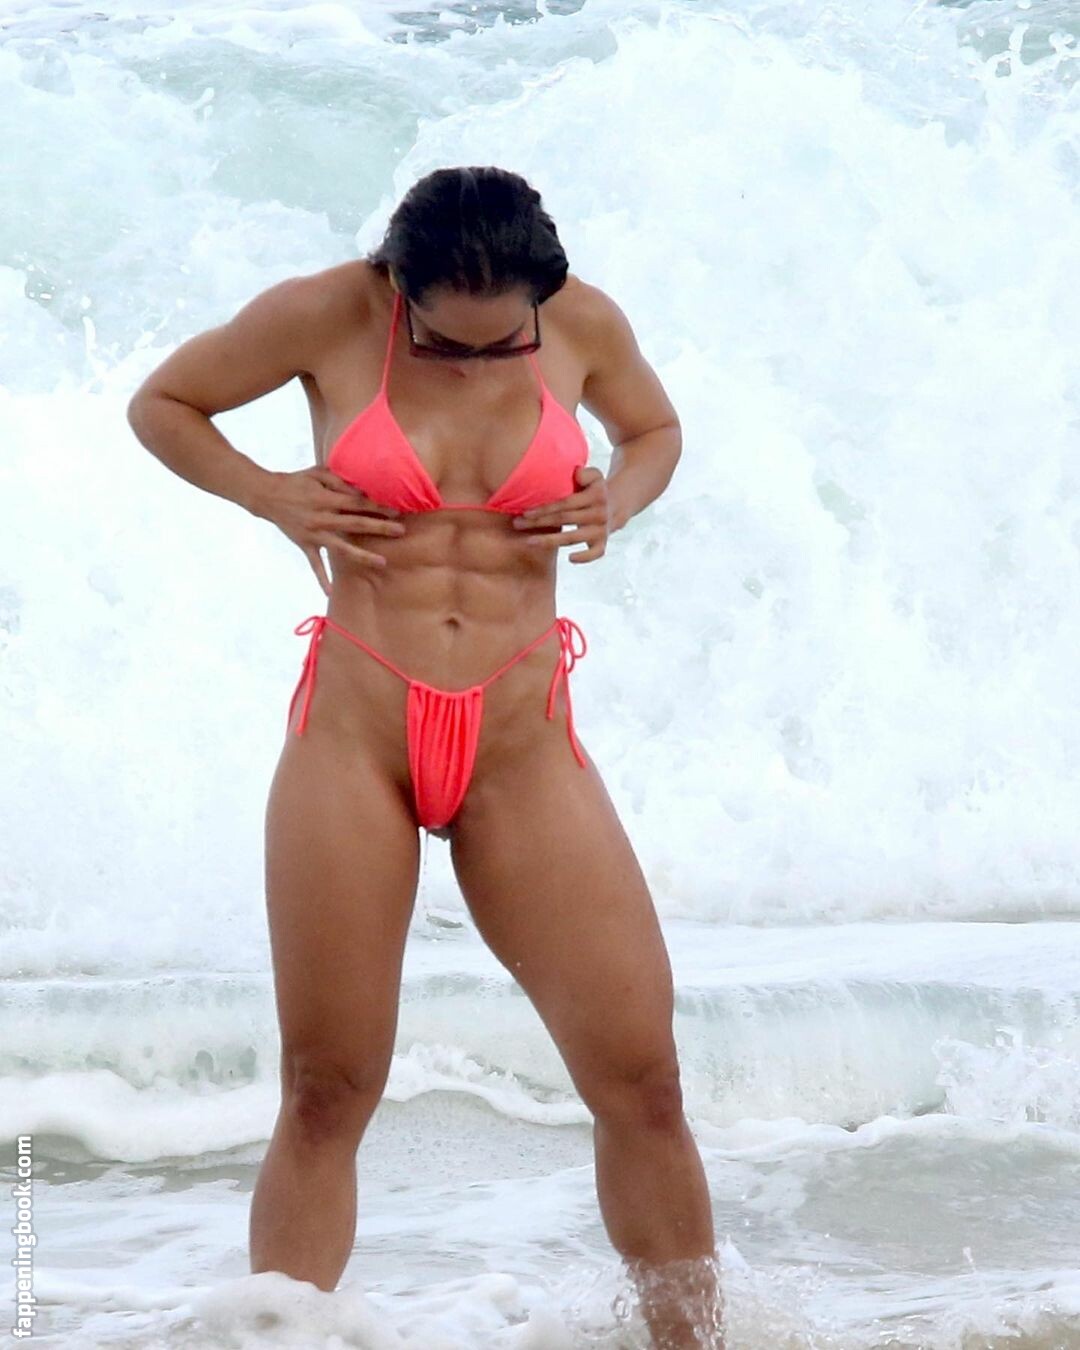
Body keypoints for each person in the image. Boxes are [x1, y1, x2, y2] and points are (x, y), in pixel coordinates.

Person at [126, 165, 724, 1348]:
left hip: (522, 744)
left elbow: (654, 433)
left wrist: (617, 502)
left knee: (642, 1081)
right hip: (357, 739)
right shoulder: (322, 314)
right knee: (327, 1090)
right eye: (447, 343)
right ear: (399, 287)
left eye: (505, 344)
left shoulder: (584, 323)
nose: (476, 364)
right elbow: (165, 404)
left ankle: (694, 1343)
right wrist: (270, 495)